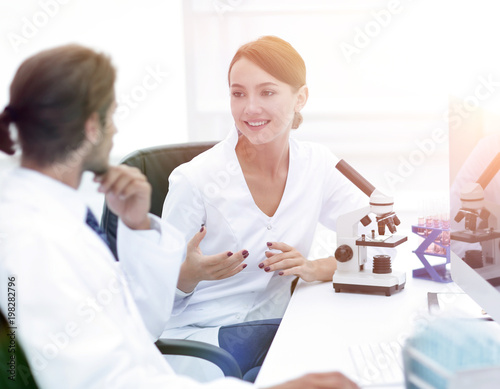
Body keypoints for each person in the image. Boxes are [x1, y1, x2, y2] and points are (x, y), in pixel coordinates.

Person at [0, 44, 359, 389]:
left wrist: (139, 227)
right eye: (112, 117)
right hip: (196, 350)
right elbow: (104, 380)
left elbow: (137, 319)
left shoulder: (55, 214)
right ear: (93, 127)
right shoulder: (33, 239)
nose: (117, 131)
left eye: (267, 93)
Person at [160, 36, 365, 380]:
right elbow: (152, 300)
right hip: (202, 341)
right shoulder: (194, 180)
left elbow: (374, 238)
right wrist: (189, 275)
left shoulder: (317, 164)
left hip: (277, 327)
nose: (249, 108)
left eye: (267, 92)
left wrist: (315, 267)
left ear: (301, 97)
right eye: (238, 93)